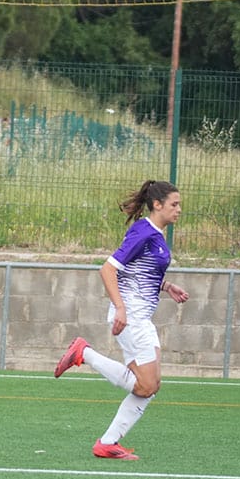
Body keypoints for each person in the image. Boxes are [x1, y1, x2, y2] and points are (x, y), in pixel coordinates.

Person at [54, 180, 189, 460]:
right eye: (174, 204)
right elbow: (107, 270)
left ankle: (108, 443)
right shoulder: (144, 232)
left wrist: (166, 286)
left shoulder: (154, 233)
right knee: (145, 386)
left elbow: (140, 271)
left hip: (141, 317)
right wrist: (120, 308)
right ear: (157, 205)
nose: (179, 209)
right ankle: (84, 353)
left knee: (151, 387)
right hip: (131, 317)